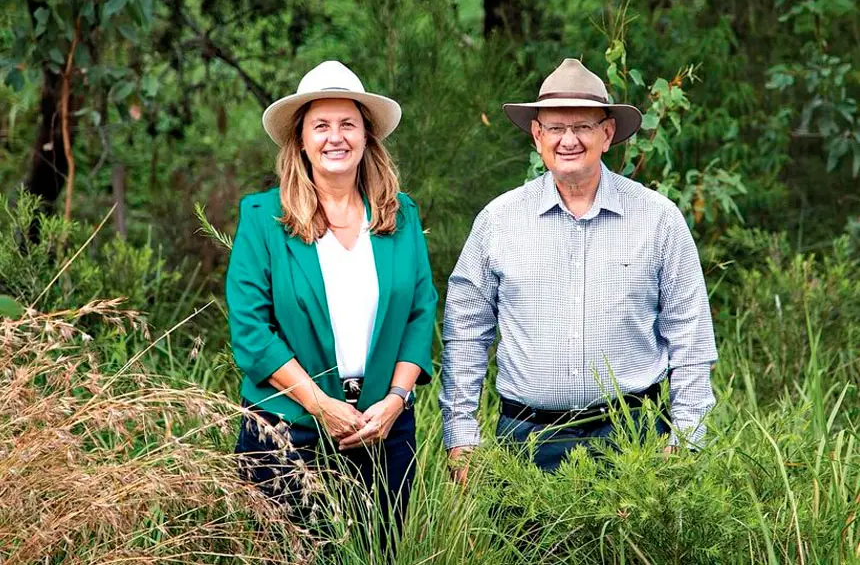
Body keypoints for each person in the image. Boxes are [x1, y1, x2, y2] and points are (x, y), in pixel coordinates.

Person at [439, 58, 717, 476]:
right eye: (555, 128)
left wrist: (687, 438)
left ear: (607, 134)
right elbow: (465, 332)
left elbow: (690, 334)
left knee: (632, 547)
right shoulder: (498, 221)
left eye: (582, 127)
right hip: (525, 441)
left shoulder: (658, 219)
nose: (568, 140)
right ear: (537, 136)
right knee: (524, 545)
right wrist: (461, 435)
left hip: (635, 440)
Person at [226, 60, 437, 542]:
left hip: (382, 429)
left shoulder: (399, 214)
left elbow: (420, 313)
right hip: (287, 429)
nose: (335, 137)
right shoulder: (262, 218)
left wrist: (395, 401)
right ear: (301, 139)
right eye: (321, 125)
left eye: (348, 124)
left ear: (367, 137)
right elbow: (252, 332)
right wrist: (321, 404)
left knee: (378, 552)